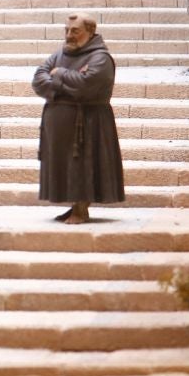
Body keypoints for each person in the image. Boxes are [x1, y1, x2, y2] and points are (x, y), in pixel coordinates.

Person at [32, 12, 126, 224]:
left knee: (83, 165)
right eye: (66, 30)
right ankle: (73, 205)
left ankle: (81, 209)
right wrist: (66, 81)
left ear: (90, 31)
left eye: (75, 31)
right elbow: (38, 80)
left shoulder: (100, 58)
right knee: (67, 166)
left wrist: (58, 74)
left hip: (90, 123)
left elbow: (87, 85)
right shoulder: (59, 54)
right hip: (60, 127)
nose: (69, 35)